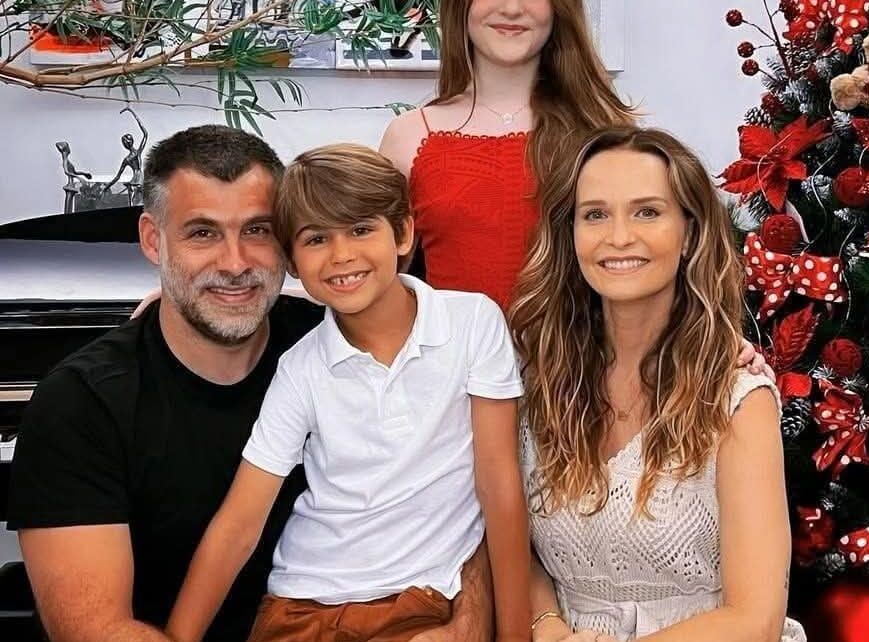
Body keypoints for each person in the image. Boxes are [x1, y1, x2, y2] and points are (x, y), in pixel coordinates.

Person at [7, 126, 491, 642]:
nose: (235, 264)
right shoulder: (82, 401)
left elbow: (460, 492)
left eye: (258, 230)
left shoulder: (341, 345)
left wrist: (471, 618)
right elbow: (95, 630)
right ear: (153, 239)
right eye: (202, 233)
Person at [165, 143, 530, 642]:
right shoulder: (301, 368)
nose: (341, 255)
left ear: (403, 233)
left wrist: (515, 634)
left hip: (419, 604)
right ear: (293, 261)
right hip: (300, 608)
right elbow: (238, 525)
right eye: (316, 239)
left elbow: (500, 485)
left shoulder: (472, 324)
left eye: (360, 229)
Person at [509, 127, 807, 642]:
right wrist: (548, 625)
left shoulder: (737, 398)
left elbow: (754, 620)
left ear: (689, 233)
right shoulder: (537, 380)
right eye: (595, 214)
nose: (619, 236)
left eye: (647, 212)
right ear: (570, 233)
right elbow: (514, 543)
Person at [379, 0, 635, 309]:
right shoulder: (408, 136)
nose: (512, 8)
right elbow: (382, 286)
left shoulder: (603, 130)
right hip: (454, 341)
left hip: (578, 340)